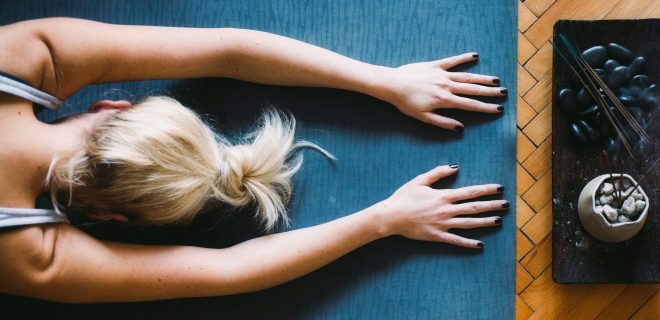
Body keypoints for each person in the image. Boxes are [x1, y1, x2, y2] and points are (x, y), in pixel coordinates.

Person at [0, 18, 508, 302]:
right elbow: (223, 273)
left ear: (113, 108)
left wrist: (384, 82)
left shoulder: (19, 59)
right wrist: (380, 219)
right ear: (111, 216)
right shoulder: (27, 255)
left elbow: (229, 51)